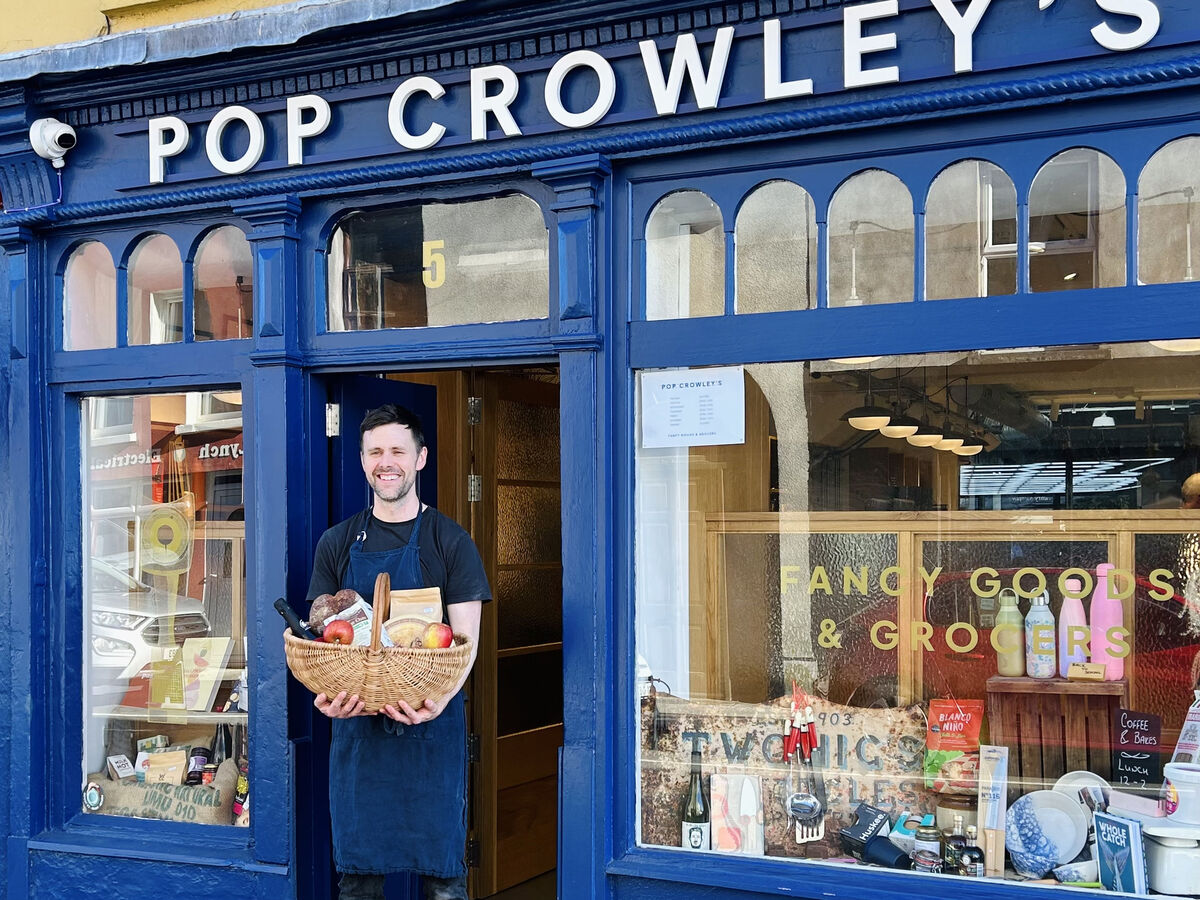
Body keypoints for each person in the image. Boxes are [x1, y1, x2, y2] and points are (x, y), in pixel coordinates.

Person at [306, 404, 490, 900]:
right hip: (361, 740)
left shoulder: (451, 541)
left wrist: (441, 700)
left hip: (431, 734)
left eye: (397, 451)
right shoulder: (337, 543)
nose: (386, 462)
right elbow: (321, 642)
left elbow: (466, 644)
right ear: (363, 461)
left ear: (421, 458)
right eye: (375, 452)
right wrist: (325, 696)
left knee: (445, 886)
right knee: (358, 885)